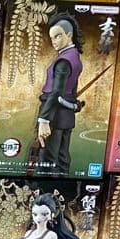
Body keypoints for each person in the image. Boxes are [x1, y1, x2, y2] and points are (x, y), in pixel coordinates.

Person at [35, 12, 83, 176]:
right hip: (66, 115)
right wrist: (74, 105)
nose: (54, 41)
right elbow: (71, 90)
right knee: (62, 159)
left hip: (54, 116)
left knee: (48, 162)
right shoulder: (74, 56)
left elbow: (56, 93)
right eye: (52, 38)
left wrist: (44, 120)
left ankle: (50, 188)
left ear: (69, 35)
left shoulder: (64, 61)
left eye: (58, 36)